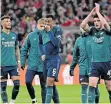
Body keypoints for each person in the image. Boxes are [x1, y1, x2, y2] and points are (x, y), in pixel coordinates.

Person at [80, 3, 111, 103]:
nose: (96, 22)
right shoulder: (92, 31)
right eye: (95, 21)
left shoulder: (108, 31)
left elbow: (105, 24)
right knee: (92, 85)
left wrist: (98, 12)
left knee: (109, 87)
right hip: (95, 63)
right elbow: (83, 25)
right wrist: (91, 13)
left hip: (107, 63)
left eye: (98, 20)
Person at [69, 27, 100, 104]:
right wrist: (72, 68)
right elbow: (75, 56)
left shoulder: (94, 38)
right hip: (83, 67)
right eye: (82, 28)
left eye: (84, 27)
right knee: (84, 87)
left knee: (94, 88)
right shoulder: (78, 40)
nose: (83, 29)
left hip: (94, 67)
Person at [20, 18, 46, 104]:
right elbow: (24, 49)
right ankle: (33, 99)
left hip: (43, 65)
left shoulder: (48, 36)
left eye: (43, 26)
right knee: (27, 82)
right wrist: (22, 62)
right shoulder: (31, 36)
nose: (42, 27)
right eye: (40, 26)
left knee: (44, 86)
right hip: (32, 65)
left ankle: (44, 102)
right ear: (37, 25)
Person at [39, 15, 63, 104]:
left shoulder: (57, 29)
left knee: (49, 81)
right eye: (46, 22)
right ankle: (57, 102)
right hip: (46, 60)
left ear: (53, 22)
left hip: (54, 59)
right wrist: (42, 54)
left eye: (49, 21)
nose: (47, 23)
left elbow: (56, 43)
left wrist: (49, 32)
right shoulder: (42, 32)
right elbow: (40, 43)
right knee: (50, 83)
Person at [1, 15, 21, 104]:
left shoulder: (14, 35)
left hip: (13, 65)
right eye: (6, 21)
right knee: (3, 87)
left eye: (9, 21)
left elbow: (17, 49)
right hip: (2, 65)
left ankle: (12, 102)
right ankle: (5, 103)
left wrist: (19, 62)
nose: (9, 23)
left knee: (17, 85)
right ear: (2, 23)